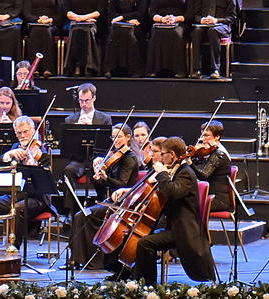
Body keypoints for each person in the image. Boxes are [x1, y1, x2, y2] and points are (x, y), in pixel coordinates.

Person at [132, 136, 215, 285]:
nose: (161, 158)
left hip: (183, 230)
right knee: (140, 237)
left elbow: (172, 191)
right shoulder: (177, 170)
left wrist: (162, 174)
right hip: (172, 224)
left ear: (172, 154)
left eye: (162, 154)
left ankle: (148, 286)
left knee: (145, 243)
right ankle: (136, 279)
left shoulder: (186, 173)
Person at [64, 124, 139, 270]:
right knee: (80, 215)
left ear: (128, 138)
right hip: (112, 200)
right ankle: (75, 259)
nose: (115, 140)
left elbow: (121, 185)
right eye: (113, 137)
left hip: (122, 204)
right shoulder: (116, 157)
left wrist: (106, 177)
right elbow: (102, 188)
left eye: (119, 137)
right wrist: (98, 176)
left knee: (82, 216)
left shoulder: (129, 159)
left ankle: (85, 260)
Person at [0, 115, 51, 249]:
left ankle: (13, 247)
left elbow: (43, 178)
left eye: (26, 132)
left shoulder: (43, 150)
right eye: (19, 133)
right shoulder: (15, 147)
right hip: (16, 195)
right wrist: (8, 155)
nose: (23, 136)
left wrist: (32, 164)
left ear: (33, 130)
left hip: (37, 198)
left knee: (16, 209)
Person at [61, 83, 113, 200]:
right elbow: (66, 146)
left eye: (87, 100)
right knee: (68, 171)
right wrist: (77, 130)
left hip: (97, 159)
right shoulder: (70, 120)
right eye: (81, 101)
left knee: (100, 172)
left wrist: (90, 128)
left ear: (94, 98)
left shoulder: (105, 119)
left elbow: (106, 144)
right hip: (79, 160)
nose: (83, 104)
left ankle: (101, 203)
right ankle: (70, 210)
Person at [145, 0, 194, 78]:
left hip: (179, 23)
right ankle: (154, 69)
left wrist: (175, 19)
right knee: (157, 32)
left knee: (175, 33)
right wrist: (162, 19)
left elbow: (190, 15)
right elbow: (152, 13)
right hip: (160, 21)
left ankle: (178, 70)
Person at [190, 0, 235, 79]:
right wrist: (201, 20)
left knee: (213, 31)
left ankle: (215, 69)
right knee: (197, 31)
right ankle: (196, 69)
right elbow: (196, 14)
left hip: (221, 25)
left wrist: (217, 20)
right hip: (204, 24)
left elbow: (232, 17)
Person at [103, 0, 147, 78]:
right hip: (118, 26)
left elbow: (140, 14)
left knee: (128, 31)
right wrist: (128, 19)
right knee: (116, 31)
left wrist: (122, 18)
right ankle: (111, 68)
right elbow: (112, 14)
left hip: (136, 27)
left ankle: (134, 69)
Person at [63, 0, 106, 76]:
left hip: (91, 22)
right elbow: (67, 11)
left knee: (87, 30)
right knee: (76, 29)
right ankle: (75, 66)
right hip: (73, 22)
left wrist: (84, 18)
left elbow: (99, 11)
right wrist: (78, 18)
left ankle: (89, 66)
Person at [23, 0, 64, 77]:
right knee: (36, 30)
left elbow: (60, 13)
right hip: (34, 23)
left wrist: (50, 20)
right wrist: (38, 19)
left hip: (51, 24)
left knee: (46, 31)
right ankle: (34, 68)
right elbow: (26, 12)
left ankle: (47, 67)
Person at [190, 121, 232, 212]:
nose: (202, 139)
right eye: (202, 135)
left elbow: (203, 175)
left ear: (217, 137)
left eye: (206, 135)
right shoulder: (211, 151)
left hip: (217, 199)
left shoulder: (219, 154)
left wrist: (189, 163)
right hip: (208, 195)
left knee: (184, 205)